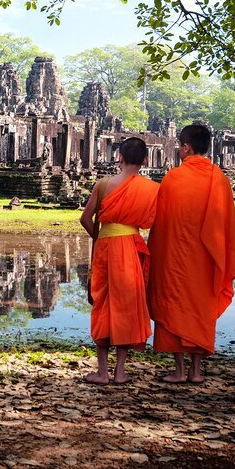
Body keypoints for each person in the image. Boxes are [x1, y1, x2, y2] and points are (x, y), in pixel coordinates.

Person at [147, 124, 235, 384]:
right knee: (200, 309)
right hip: (206, 259)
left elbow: (162, 224)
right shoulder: (220, 179)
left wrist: (155, 254)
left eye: (179, 146)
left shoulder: (173, 178)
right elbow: (226, 225)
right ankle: (195, 371)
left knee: (174, 307)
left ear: (186, 147)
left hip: (175, 258)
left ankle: (179, 371)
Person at [80, 137, 159, 384]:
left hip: (105, 247)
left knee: (103, 303)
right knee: (126, 305)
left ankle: (102, 372)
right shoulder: (151, 188)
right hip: (130, 248)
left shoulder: (103, 185)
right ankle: (120, 372)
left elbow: (85, 219)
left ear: (120, 157)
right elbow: (153, 221)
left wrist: (102, 235)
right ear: (145, 160)